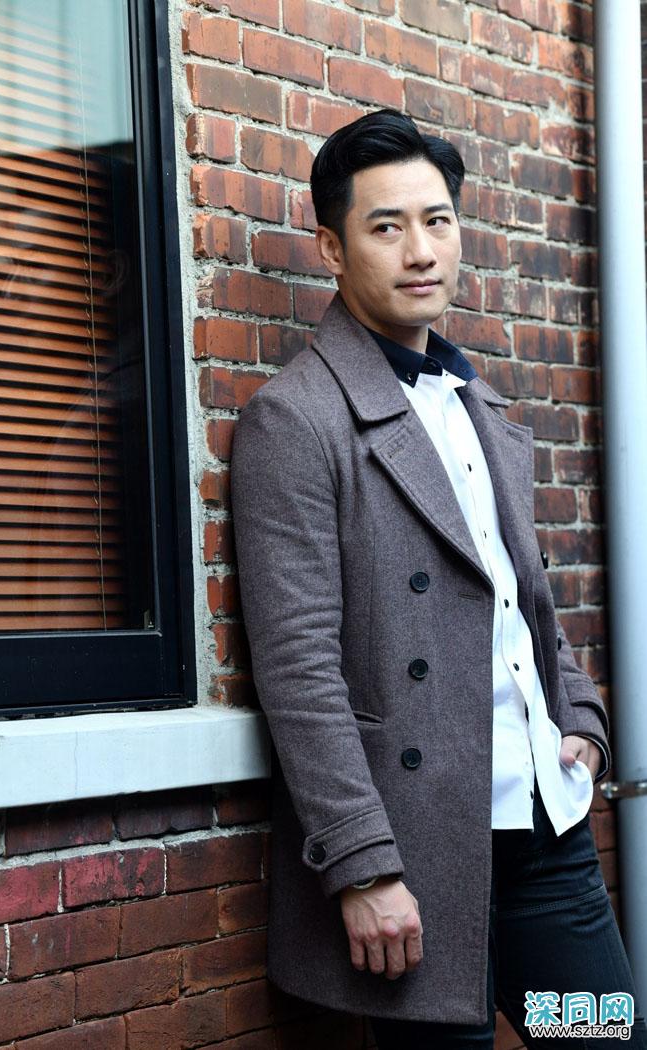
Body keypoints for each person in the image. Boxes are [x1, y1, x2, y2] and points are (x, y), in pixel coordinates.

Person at [230, 109, 647, 1047]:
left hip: (549, 842)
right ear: (332, 249)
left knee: (604, 1038)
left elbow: (521, 603)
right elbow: (298, 670)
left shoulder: (479, 409)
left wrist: (581, 720)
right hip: (414, 858)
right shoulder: (296, 421)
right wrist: (363, 865)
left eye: (438, 221)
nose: (421, 251)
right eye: (387, 227)